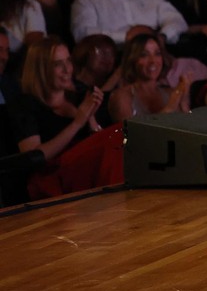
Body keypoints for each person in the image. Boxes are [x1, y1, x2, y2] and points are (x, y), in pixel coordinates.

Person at [12, 36, 124, 199]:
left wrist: (90, 117)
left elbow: (97, 140)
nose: (67, 69)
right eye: (58, 64)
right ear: (41, 69)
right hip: (54, 174)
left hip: (85, 168)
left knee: (121, 135)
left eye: (68, 61)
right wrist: (78, 122)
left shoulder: (78, 95)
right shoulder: (25, 104)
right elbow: (33, 157)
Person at [107, 31, 191, 124]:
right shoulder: (121, 97)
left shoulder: (170, 92)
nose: (153, 61)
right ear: (133, 60)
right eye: (144, 55)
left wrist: (184, 99)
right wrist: (171, 105)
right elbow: (131, 135)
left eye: (157, 53)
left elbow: (187, 128)